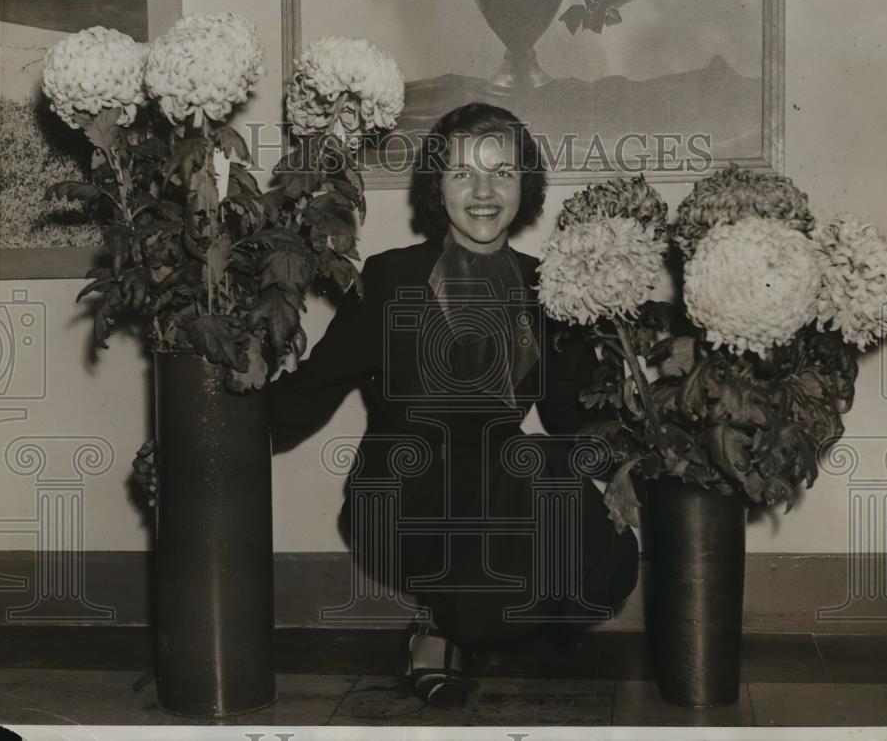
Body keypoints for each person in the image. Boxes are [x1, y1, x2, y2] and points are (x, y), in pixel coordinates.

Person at [268, 103, 639, 709]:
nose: (485, 191)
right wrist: (204, 441)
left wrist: (637, 448)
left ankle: (462, 624)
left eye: (503, 172)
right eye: (463, 173)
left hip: (504, 495)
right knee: (523, 492)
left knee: (601, 552)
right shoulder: (388, 279)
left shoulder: (550, 288)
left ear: (526, 184)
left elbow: (573, 418)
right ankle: (452, 623)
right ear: (438, 187)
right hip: (402, 492)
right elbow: (309, 393)